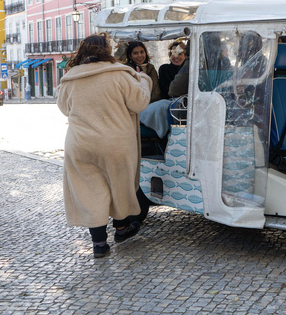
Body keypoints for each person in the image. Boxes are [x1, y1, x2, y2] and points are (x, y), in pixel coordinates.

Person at [57, 34, 152, 258]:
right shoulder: (120, 74)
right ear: (106, 50)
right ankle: (121, 229)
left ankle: (99, 244)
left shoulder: (71, 78)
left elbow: (64, 108)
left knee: (90, 190)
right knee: (119, 185)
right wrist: (144, 80)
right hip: (115, 142)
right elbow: (139, 103)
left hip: (80, 143)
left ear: (82, 51)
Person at [139, 40, 189, 138]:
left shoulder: (189, 70)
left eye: (180, 54)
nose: (176, 57)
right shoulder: (164, 69)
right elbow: (169, 91)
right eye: (173, 54)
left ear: (186, 56)